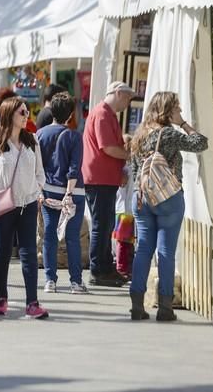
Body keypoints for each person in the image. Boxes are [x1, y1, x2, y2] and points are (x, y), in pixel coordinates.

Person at [128, 91, 208, 321]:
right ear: (168, 110)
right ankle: (165, 307)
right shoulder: (170, 134)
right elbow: (200, 142)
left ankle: (136, 305)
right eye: (177, 109)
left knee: (143, 249)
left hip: (141, 197)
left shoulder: (139, 135)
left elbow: (135, 170)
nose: (180, 112)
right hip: (168, 199)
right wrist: (183, 123)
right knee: (165, 252)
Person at [0, 96, 49, 319]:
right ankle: (1, 298)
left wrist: (35, 189)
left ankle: (32, 303)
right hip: (2, 203)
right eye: (22, 113)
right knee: (2, 251)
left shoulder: (32, 140)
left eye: (27, 112)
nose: (27, 116)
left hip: (27, 203)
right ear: (9, 114)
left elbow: (40, 173)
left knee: (28, 253)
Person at [82, 81, 133, 287]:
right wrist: (130, 155)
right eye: (127, 98)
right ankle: (98, 269)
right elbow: (108, 148)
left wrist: (120, 168)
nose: (128, 103)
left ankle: (104, 267)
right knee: (101, 225)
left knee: (105, 225)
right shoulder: (103, 113)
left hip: (104, 177)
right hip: (99, 178)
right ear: (118, 93)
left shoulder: (106, 113)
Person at [37, 92, 88, 295]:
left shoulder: (40, 135)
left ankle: (50, 280)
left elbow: (36, 166)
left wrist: (39, 190)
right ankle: (76, 282)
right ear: (70, 115)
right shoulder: (75, 136)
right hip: (73, 191)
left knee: (49, 235)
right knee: (72, 236)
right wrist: (69, 192)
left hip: (49, 190)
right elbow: (74, 167)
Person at [113, 134, 135, 281]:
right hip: (124, 209)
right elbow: (121, 182)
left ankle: (127, 268)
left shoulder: (131, 165)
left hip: (129, 209)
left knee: (129, 241)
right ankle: (121, 268)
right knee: (123, 241)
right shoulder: (121, 166)